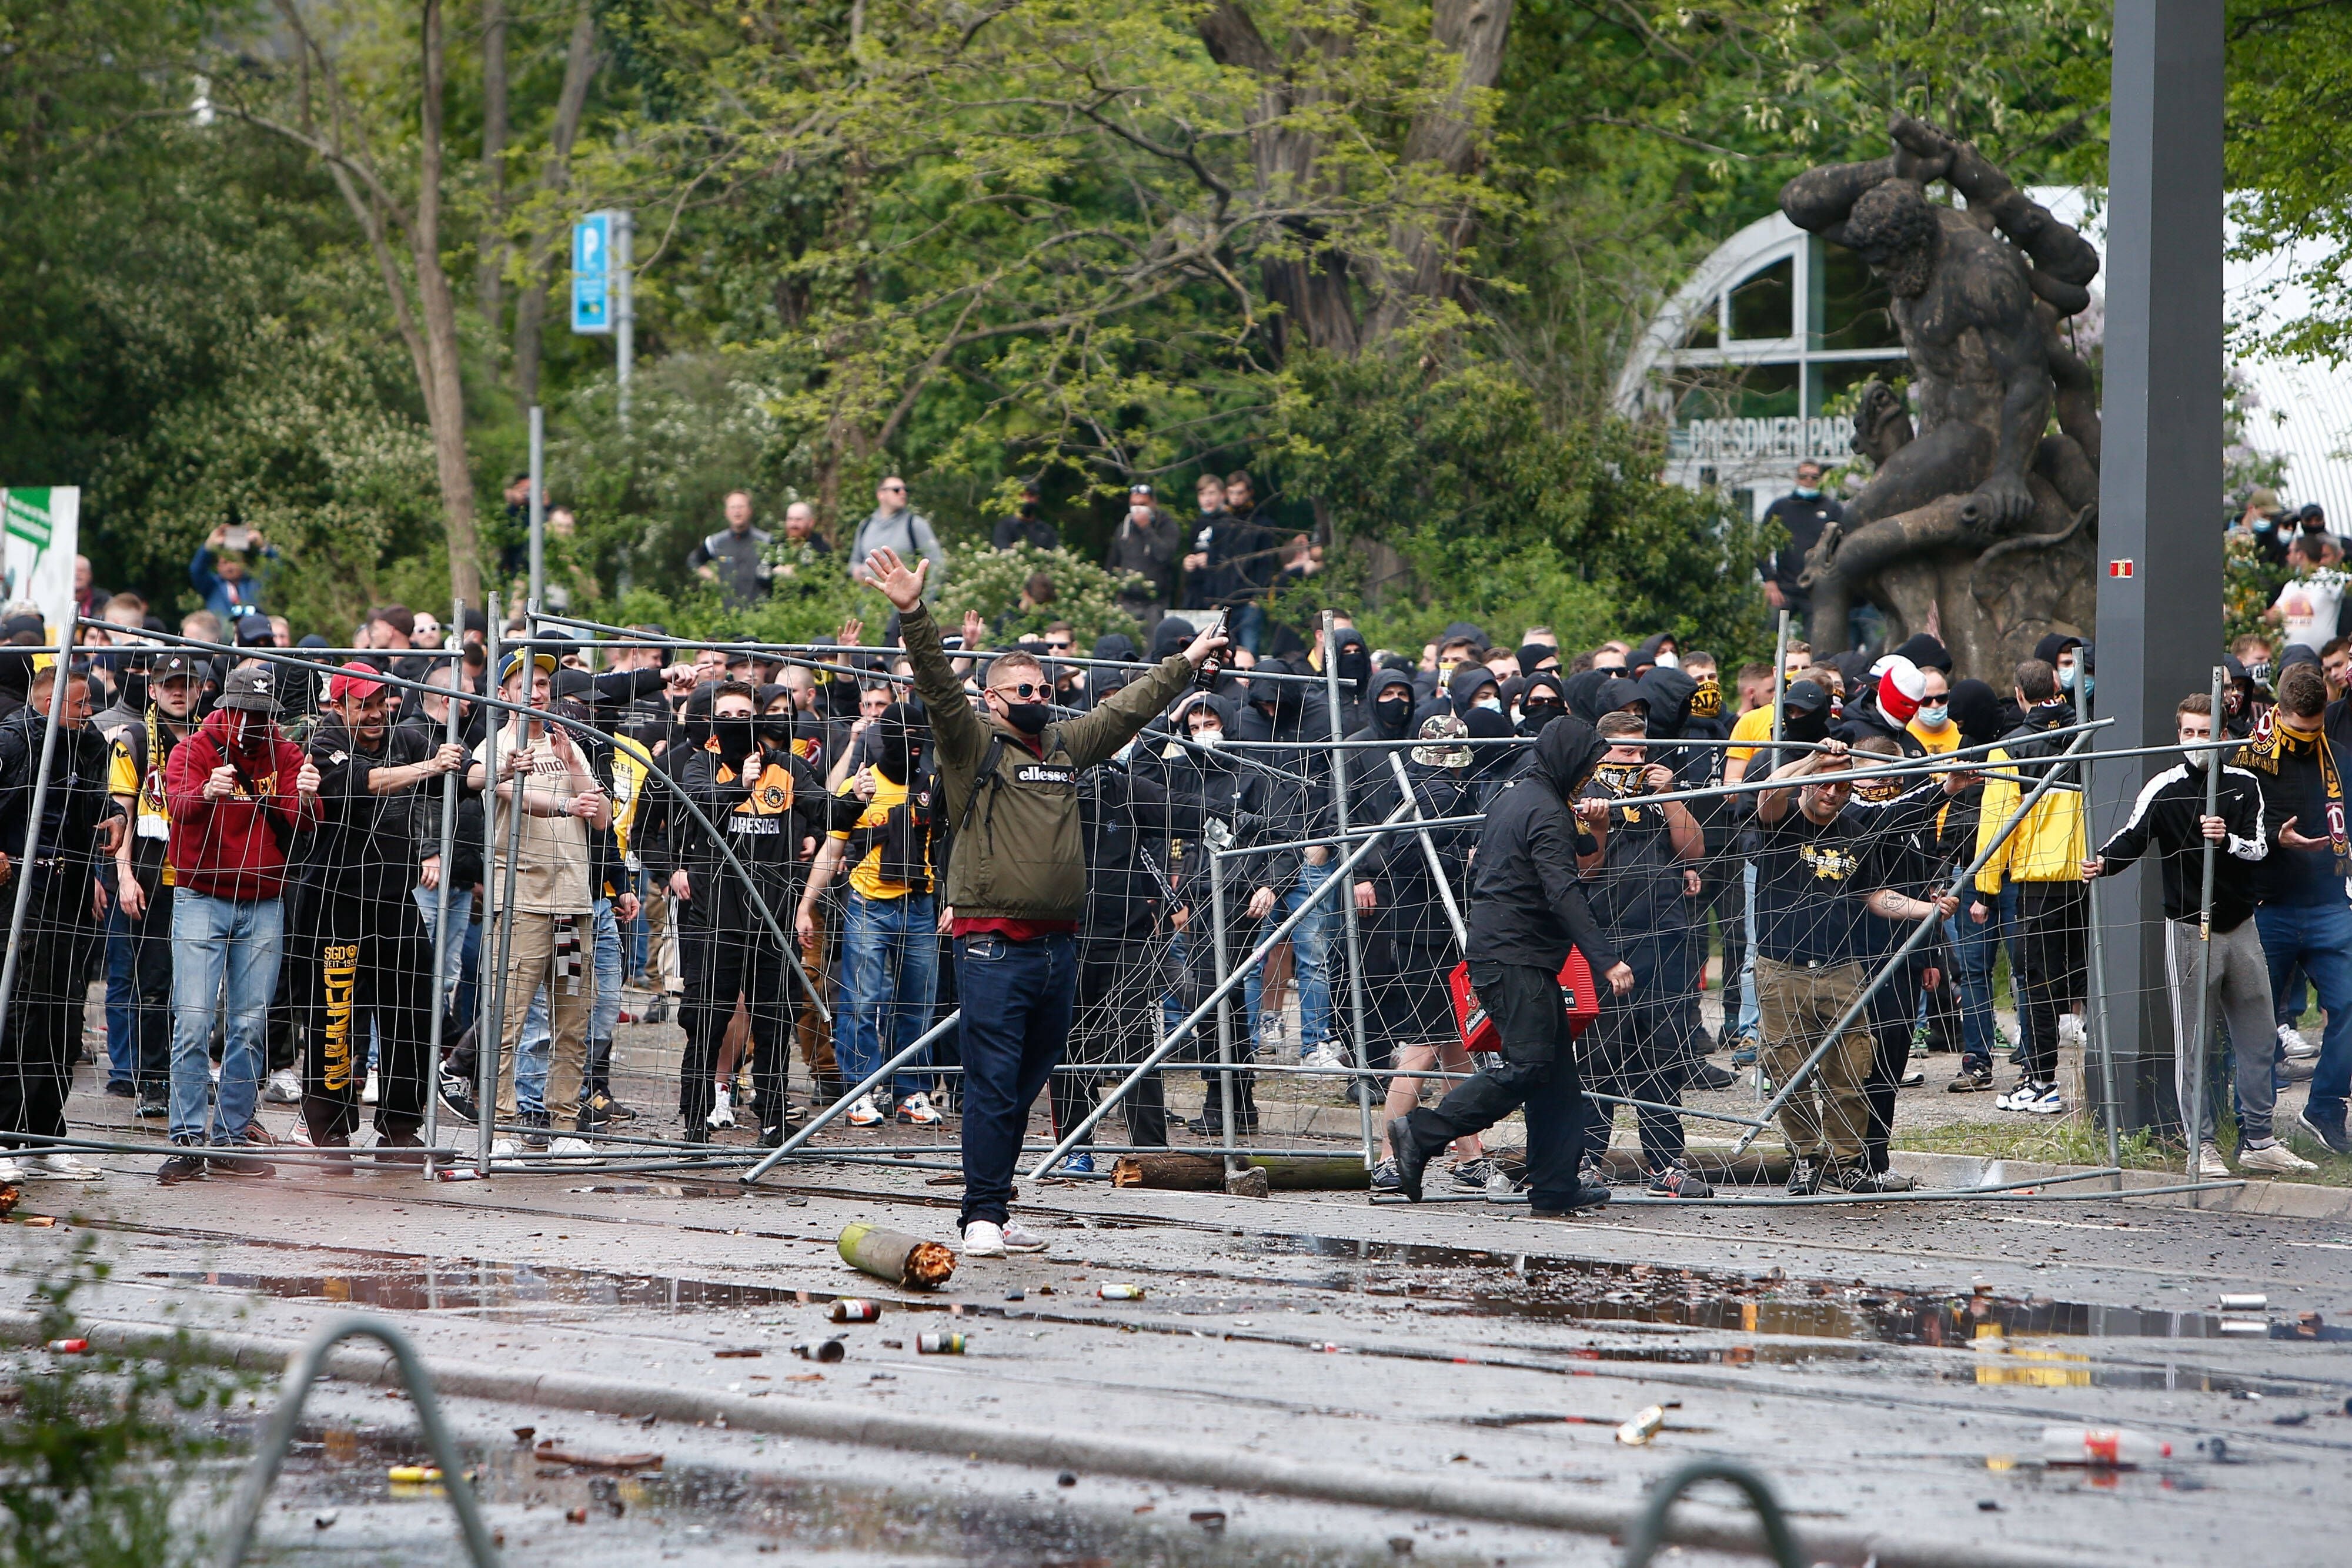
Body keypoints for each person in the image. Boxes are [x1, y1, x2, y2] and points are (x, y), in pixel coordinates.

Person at [870, 543, 1215, 1258]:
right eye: (1022, 689)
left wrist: (1185, 663)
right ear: (993, 698)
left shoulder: (1063, 745)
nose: (1037, 697)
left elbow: (1125, 710)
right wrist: (913, 612)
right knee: (994, 1080)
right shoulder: (971, 744)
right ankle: (979, 1217)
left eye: (1043, 687)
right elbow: (936, 684)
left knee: (1027, 1081)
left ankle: (996, 1206)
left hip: (1059, 945)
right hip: (992, 944)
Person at [1388, 715, 1631, 1216]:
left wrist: (1596, 827)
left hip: (1515, 954)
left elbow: (1575, 853)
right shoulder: (1544, 809)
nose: (1592, 775)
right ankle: (1423, 1131)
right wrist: (1606, 959)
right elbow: (1563, 890)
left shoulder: (1522, 797)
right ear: (1568, 761)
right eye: (1588, 765)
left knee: (1556, 1076)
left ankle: (1555, 1184)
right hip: (1514, 957)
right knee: (1531, 1065)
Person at [2085, 693, 2314, 1176]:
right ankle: (2200, 1144)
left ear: (2223, 736)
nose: (2196, 741)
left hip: (2242, 926)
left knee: (2259, 1037)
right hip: (2190, 930)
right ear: (2178, 735)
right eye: (2188, 732)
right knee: (2194, 1044)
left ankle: (2259, 1139)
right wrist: (2102, 862)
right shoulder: (2164, 787)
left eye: (2205, 732)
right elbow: (2132, 836)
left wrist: (2225, 839)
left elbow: (2259, 847)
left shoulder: (2245, 784)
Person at [1749, 740, 1961, 1193]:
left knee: (1849, 1069)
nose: (1832, 793)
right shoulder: (1781, 821)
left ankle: (1846, 1163)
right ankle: (1806, 1159)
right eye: (1824, 783)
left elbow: (1876, 895)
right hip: (1782, 969)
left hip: (1841, 968)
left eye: (1842, 786)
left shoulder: (1855, 831)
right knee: (1790, 1071)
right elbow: (1769, 791)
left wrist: (1929, 911)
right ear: (1808, 782)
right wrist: (1813, 760)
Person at [292, 663, 467, 1169]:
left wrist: (499, 768)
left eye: (379, 703)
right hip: (335, 900)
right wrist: (432, 766)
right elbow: (363, 782)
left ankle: (400, 1130)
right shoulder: (324, 743)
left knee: (412, 1009)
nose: (374, 714)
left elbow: (465, 773)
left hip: (394, 897)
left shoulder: (404, 738)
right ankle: (329, 1132)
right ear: (338, 706)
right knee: (335, 1015)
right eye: (362, 705)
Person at [158, 663, 320, 1183]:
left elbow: (303, 821)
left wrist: (309, 795)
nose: (253, 722)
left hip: (264, 899)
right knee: (193, 1019)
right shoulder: (192, 749)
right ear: (225, 706)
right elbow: (176, 806)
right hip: (201, 895)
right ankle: (187, 1139)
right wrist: (207, 791)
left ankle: (230, 1137)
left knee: (250, 1024)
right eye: (244, 711)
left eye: (262, 712)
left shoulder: (286, 752)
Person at [466, 648, 612, 1156]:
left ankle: (565, 1126)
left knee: (571, 1020)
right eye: (524, 681)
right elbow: (505, 791)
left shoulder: (568, 744)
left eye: (545, 683)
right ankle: (503, 1128)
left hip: (571, 908)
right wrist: (566, 801)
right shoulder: (496, 746)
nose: (536, 691)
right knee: (508, 1018)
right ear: (503, 693)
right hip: (522, 905)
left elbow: (601, 817)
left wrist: (573, 764)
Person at [683, 680, 832, 1145]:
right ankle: (695, 1120)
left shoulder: (786, 766)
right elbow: (697, 804)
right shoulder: (701, 764)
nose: (735, 724)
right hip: (717, 919)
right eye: (726, 716)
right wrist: (739, 787)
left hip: (775, 920)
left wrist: (851, 802)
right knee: (707, 1020)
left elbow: (825, 810)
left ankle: (772, 1115)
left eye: (744, 715)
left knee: (775, 1020)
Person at [1575, 710, 1714, 1198]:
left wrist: (1669, 795)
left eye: (1641, 750)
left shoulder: (1656, 793)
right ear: (1601, 752)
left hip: (1666, 936)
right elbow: (1584, 870)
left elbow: (1694, 851)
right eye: (1625, 751)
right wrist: (1599, 824)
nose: (1636, 759)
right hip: (1606, 939)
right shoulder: (1585, 792)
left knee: (1664, 1054)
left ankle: (1666, 1163)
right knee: (1598, 1057)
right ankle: (1586, 1160)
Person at [0, 663, 121, 1185]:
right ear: (49, 705)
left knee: (65, 1014)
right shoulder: (12, 741)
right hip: (19, 891)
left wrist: (115, 814)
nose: (90, 712)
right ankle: (6, 1136)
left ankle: (45, 1136)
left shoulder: (87, 742)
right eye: (80, 704)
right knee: (21, 1012)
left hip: (70, 888)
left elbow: (96, 798)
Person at [797, 700, 944, 1130]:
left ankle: (911, 1091)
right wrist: (806, 904)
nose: (911, 744)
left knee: (918, 1004)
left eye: (918, 735)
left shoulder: (934, 785)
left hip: (921, 905)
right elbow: (832, 850)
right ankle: (859, 1090)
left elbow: (951, 846)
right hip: (868, 906)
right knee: (860, 1001)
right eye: (902, 734)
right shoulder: (859, 786)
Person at [2234, 661, 2352, 1155]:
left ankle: (2324, 1109)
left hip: (2330, 906)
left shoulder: (2339, 758)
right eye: (2299, 730)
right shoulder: (2249, 758)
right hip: (2268, 906)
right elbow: (2229, 828)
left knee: (2349, 1004)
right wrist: (2274, 839)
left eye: (2315, 728)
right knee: (2254, 1021)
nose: (2307, 738)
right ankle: (2250, 1125)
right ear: (2280, 714)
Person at [1969, 658, 2086, 1116]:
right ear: (2059, 688)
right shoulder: (2088, 734)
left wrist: (1984, 890)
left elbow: (1996, 826)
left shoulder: (2010, 748)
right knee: (2090, 980)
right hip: (2090, 877)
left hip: (2039, 882)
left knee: (2038, 982)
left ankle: (2040, 1082)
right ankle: (2107, 1081)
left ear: (2019, 695)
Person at [103, 653, 203, 1119]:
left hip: (204, 881)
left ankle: (191, 1077)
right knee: (154, 985)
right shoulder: (134, 740)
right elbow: (120, 815)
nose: (178, 692)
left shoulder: (212, 737)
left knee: (197, 991)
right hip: (152, 880)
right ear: (152, 690)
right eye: (168, 685)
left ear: (200, 689)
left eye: (186, 684)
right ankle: (154, 1080)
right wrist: (124, 876)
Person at [1761, 463, 1842, 624]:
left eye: (1814, 477)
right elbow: (1762, 545)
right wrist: (1769, 580)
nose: (1809, 480)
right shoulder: (1780, 508)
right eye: (1804, 476)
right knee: (1772, 634)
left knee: (1817, 638)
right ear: (1796, 479)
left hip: (1817, 590)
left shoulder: (1832, 508)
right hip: (1784, 589)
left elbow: (1842, 544)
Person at [1108, 482, 1182, 630]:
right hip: (1126, 602)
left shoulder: (1167, 526)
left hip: (1155, 603)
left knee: (1153, 641)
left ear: (1154, 503)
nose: (1137, 509)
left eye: (1143, 504)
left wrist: (1146, 529)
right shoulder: (1124, 528)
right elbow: (1112, 562)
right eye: (1133, 504)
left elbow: (1164, 555)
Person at [848, 477, 946, 587]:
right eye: (896, 490)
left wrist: (928, 596)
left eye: (905, 490)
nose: (903, 493)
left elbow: (937, 564)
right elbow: (854, 562)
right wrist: (856, 571)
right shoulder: (865, 526)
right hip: (868, 597)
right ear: (881, 494)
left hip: (903, 596)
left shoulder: (914, 524)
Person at [687, 491, 774, 607]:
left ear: (750, 511)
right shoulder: (716, 542)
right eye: (733, 508)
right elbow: (693, 561)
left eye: (741, 507)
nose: (737, 512)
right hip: (727, 613)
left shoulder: (766, 541)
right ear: (726, 513)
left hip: (761, 613)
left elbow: (781, 568)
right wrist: (714, 578)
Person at [190, 526, 278, 623]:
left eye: (233, 561)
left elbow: (276, 570)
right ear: (218, 567)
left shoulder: (256, 583)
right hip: (222, 632)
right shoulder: (212, 586)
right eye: (224, 563)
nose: (229, 567)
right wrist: (208, 546)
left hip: (253, 630)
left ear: (243, 563)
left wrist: (263, 546)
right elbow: (197, 570)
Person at [769, 502, 833, 581]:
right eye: (790, 519)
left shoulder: (822, 548)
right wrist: (775, 573)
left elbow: (824, 578)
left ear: (811, 523)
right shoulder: (777, 543)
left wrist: (797, 575)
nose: (793, 524)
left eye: (798, 520)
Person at [992, 483, 1058, 552]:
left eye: (1031, 495)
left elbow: (1054, 555)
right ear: (1014, 498)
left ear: (1037, 498)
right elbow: (1003, 551)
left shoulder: (1047, 530)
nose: (1026, 500)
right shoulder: (1004, 527)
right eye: (1021, 495)